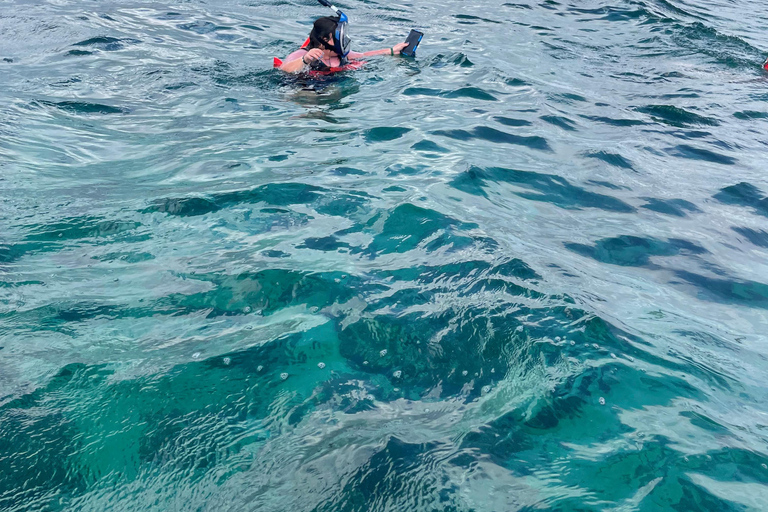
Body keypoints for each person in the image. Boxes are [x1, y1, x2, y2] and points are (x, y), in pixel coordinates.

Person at [278, 16, 408, 73]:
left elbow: (363, 55)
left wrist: (392, 50)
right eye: (338, 36)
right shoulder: (303, 54)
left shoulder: (340, 55)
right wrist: (305, 60)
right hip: (306, 88)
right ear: (325, 39)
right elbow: (284, 68)